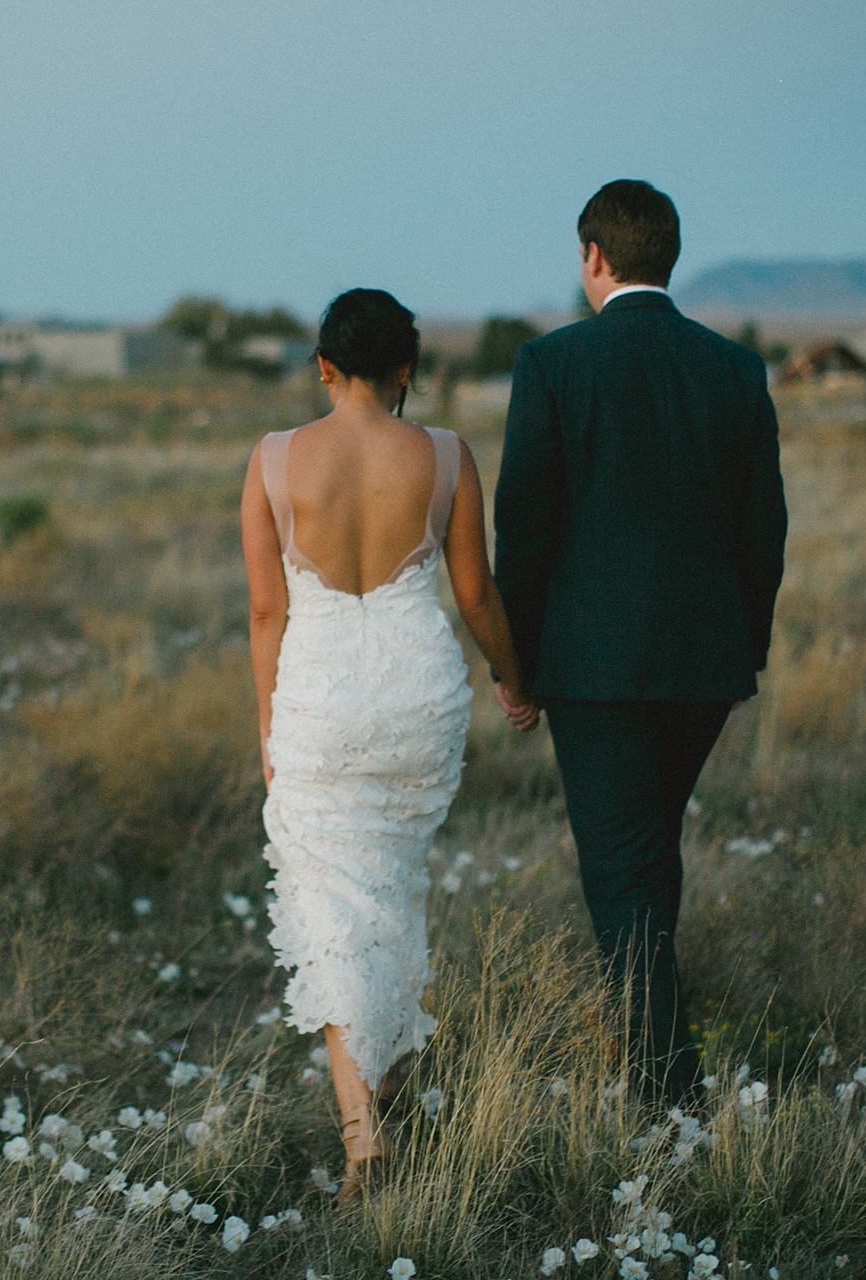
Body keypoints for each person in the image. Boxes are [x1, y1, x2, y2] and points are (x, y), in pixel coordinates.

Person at [493, 180, 788, 1103]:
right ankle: (660, 1060)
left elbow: (526, 532)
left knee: (624, 873)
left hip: (593, 672)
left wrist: (518, 670)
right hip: (705, 666)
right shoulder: (735, 370)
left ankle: (669, 1099)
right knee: (649, 857)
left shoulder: (553, 364)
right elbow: (765, 532)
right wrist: (746, 649)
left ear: (593, 257)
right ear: (669, 253)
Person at [242, 288, 536, 1198]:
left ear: (323, 365)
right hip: (416, 699)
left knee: (336, 910)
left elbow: (265, 610)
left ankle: (364, 1132)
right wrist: (514, 681)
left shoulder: (273, 459)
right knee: (391, 890)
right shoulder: (445, 455)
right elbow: (477, 594)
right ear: (406, 369)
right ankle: (387, 1083)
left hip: (322, 703)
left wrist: (268, 727)